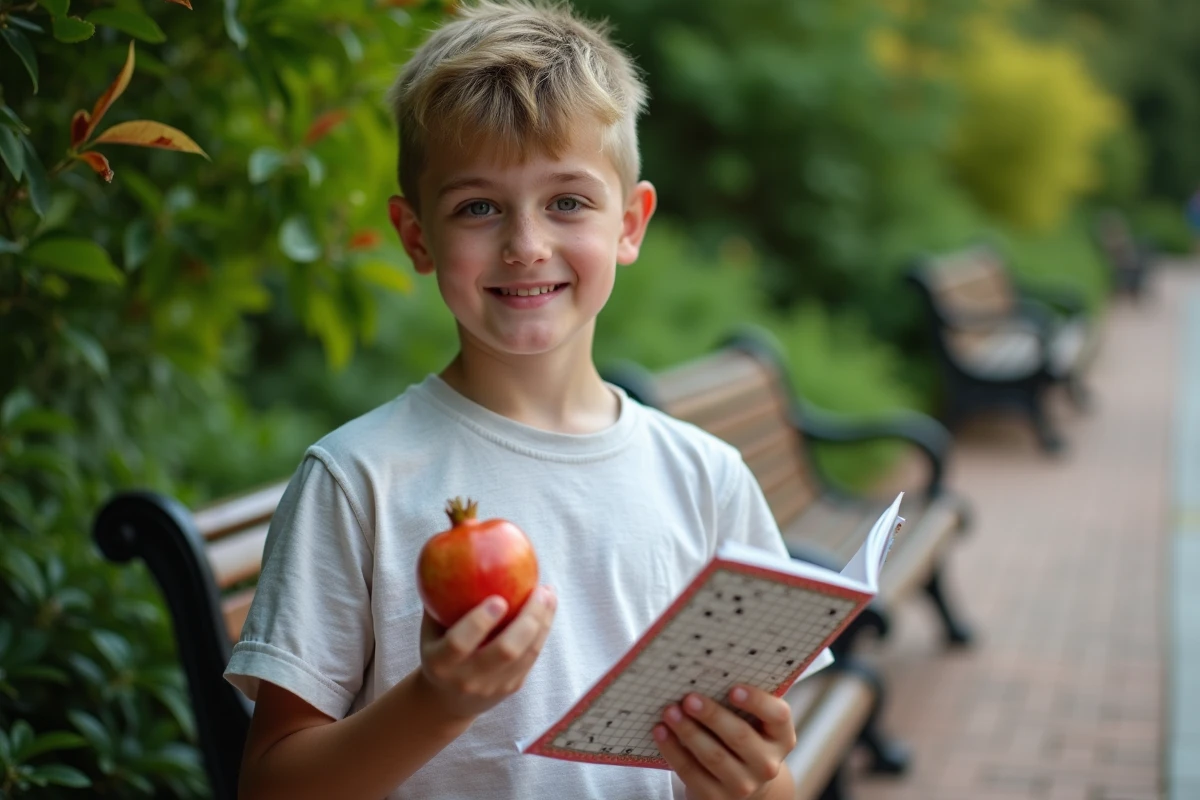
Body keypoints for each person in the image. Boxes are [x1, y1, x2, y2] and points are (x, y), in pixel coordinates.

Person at [225, 2, 803, 797]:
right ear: (416, 235)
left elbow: (772, 780)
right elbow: (270, 784)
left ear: (630, 223)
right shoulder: (358, 481)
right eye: (478, 207)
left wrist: (752, 775)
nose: (525, 243)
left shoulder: (708, 479)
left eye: (567, 201)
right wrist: (438, 703)